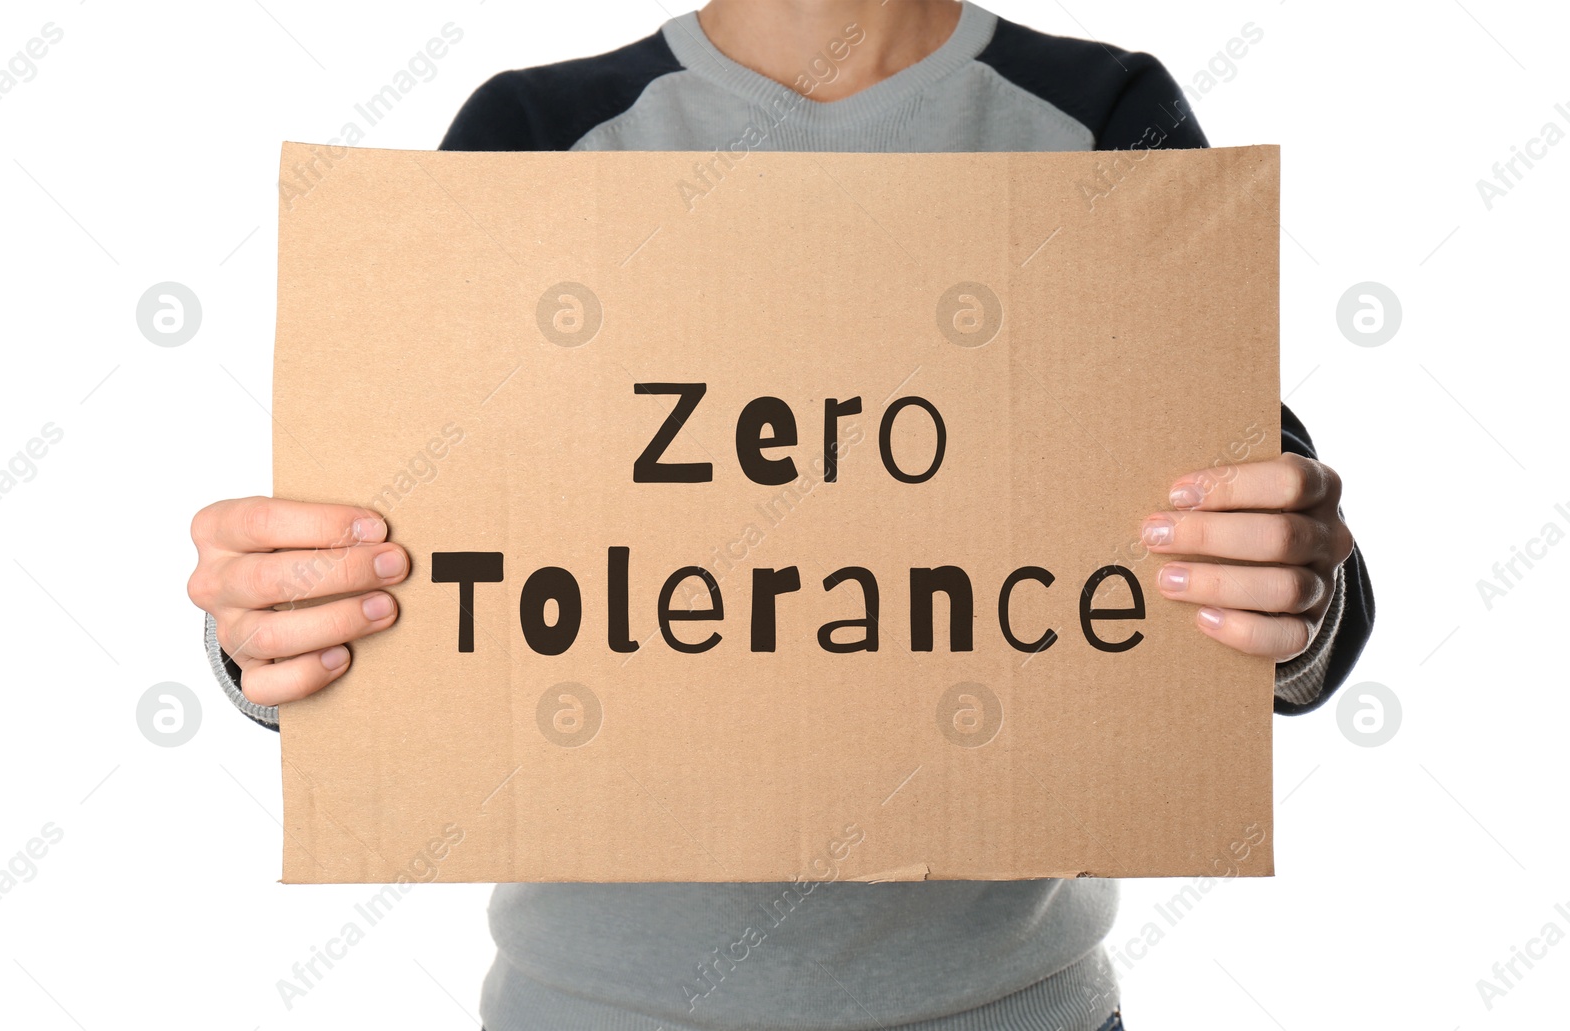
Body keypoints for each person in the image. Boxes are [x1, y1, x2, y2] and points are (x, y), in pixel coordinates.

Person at [186, 2, 1374, 1028]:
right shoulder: (531, 132)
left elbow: (1281, 559)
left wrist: (1297, 592)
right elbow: (401, 556)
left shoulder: (1103, 112)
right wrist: (268, 632)